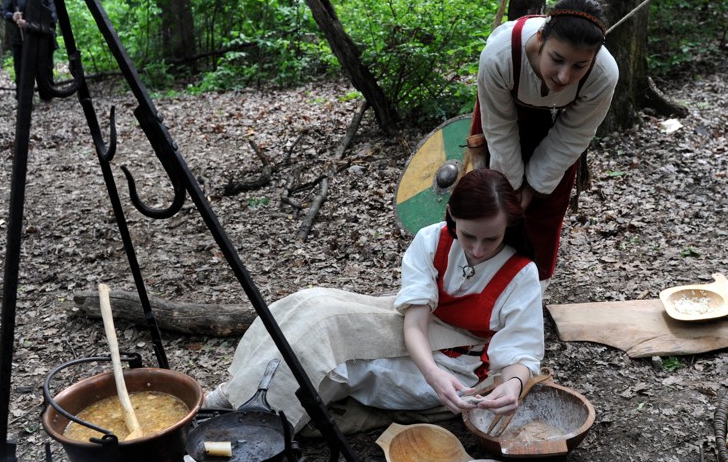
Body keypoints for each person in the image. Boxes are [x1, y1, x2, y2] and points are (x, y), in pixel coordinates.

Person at [205, 168, 544, 431]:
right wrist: (430, 372)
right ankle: (232, 397)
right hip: (420, 344)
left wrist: (513, 383)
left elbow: (521, 350)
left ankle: (256, 426)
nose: (478, 249)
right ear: (452, 215)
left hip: (456, 371)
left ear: (509, 227)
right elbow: (414, 322)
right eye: (468, 236)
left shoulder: (520, 273)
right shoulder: (432, 240)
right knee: (313, 307)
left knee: (337, 367)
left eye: (492, 239)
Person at [470, 0, 619, 282]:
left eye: (579, 66)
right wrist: (510, 186)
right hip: (503, 116)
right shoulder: (499, 55)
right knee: (488, 199)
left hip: (556, 125)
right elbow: (500, 129)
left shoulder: (604, 73)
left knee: (545, 208)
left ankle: (529, 288)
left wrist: (534, 187)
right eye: (557, 59)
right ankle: (476, 278)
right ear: (540, 38)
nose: (564, 76)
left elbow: (574, 134)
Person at [0, 0, 57, 98]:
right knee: (22, 71)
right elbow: (3, 11)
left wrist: (28, 25)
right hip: (20, 41)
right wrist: (12, 16)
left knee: (45, 70)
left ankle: (47, 98)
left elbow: (52, 19)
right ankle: (24, 100)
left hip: (42, 41)